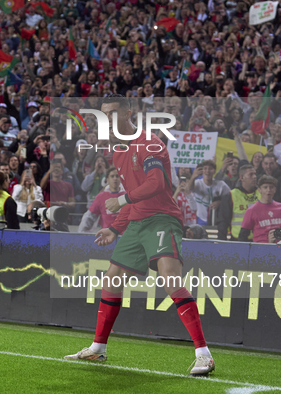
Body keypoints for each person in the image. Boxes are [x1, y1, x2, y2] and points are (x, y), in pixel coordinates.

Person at [64, 95, 214, 376]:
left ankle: (203, 354)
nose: (107, 120)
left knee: (170, 279)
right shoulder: (118, 151)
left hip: (161, 219)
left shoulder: (149, 143)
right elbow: (132, 200)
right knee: (111, 278)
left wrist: (120, 201)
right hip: (136, 222)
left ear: (128, 113)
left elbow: (157, 184)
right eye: (104, 115)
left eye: (112, 113)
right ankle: (98, 348)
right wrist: (114, 228)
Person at [238, 175, 281, 243]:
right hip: (260, 249)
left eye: (271, 187)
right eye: (265, 187)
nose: (268, 190)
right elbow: (243, 236)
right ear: (259, 190)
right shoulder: (251, 211)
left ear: (275, 189)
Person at [217, 165, 261, 241]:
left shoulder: (261, 193)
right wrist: (222, 242)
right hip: (237, 240)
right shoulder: (231, 195)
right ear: (241, 178)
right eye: (251, 174)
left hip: (258, 239)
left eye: (255, 174)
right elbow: (223, 221)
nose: (254, 177)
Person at [78, 167, 125, 233]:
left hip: (124, 236)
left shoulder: (126, 195)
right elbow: (89, 217)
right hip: (106, 236)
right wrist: (81, 233)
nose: (115, 178)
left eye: (117, 176)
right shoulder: (101, 197)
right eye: (112, 176)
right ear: (107, 179)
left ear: (120, 179)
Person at [187, 160, 231, 225]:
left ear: (214, 171)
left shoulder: (221, 185)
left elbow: (230, 198)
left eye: (210, 169)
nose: (207, 171)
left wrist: (220, 202)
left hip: (216, 219)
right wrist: (193, 176)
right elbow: (189, 188)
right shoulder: (198, 183)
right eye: (205, 169)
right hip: (201, 219)